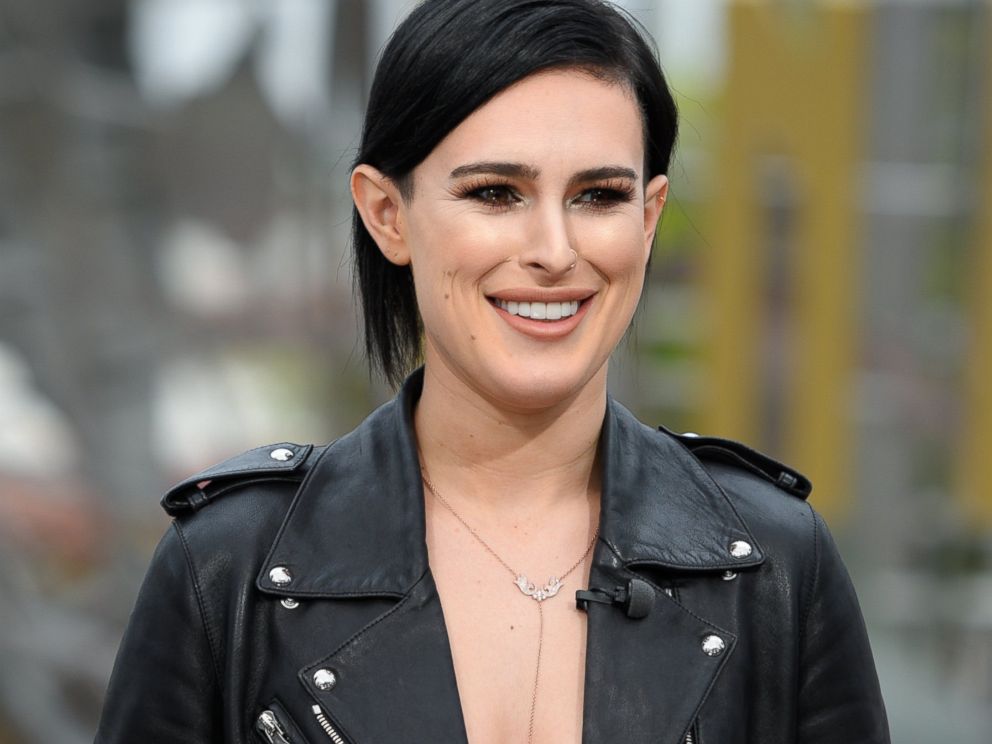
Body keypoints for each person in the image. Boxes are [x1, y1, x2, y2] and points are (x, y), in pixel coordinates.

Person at [95, 1, 890, 742]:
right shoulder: (227, 571)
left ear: (649, 220)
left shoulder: (775, 567)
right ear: (386, 214)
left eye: (598, 196)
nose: (553, 250)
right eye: (496, 193)